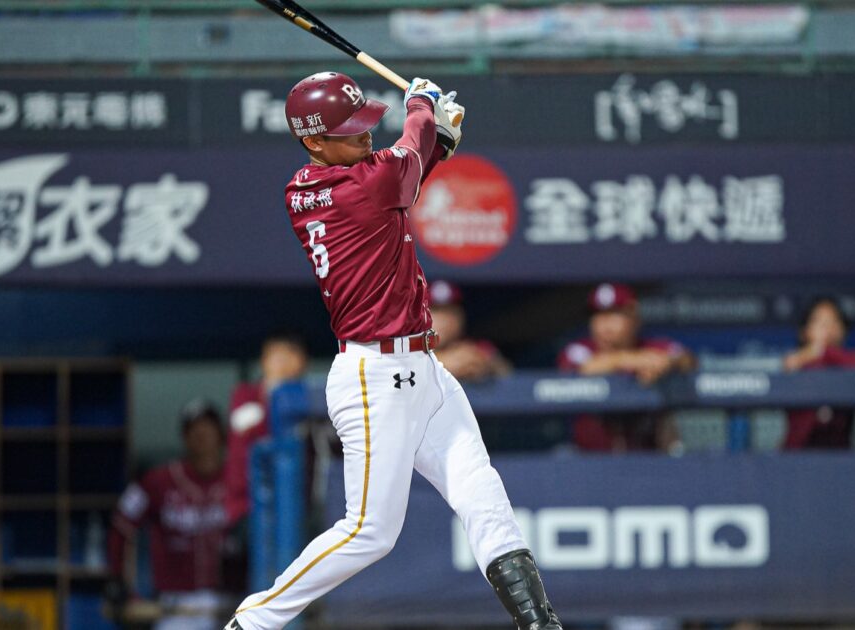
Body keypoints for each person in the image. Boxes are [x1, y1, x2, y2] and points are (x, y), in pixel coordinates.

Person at [225, 73, 560, 630]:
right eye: (350, 131)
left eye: (364, 125)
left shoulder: (332, 182)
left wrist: (437, 142)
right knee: (370, 531)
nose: (365, 135)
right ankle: (254, 621)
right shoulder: (356, 184)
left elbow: (403, 174)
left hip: (423, 367)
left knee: (480, 489)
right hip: (373, 374)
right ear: (314, 141)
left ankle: (540, 623)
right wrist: (423, 105)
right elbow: (402, 161)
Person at [108, 399, 231, 630]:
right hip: (176, 605)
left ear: (221, 434)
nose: (202, 434)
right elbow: (121, 524)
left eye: (208, 427)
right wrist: (118, 580)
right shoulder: (158, 481)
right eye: (194, 428)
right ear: (184, 436)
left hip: (233, 601)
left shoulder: (239, 480)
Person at [558, 283, 695, 452]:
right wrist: (634, 360)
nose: (605, 325)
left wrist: (667, 363)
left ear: (635, 318)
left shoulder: (651, 347)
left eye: (614, 314)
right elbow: (586, 367)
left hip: (646, 457)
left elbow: (686, 358)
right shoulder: (580, 349)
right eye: (598, 315)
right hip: (590, 459)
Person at [224, 332, 311, 525]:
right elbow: (242, 425)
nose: (282, 363)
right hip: (248, 508)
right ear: (263, 361)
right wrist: (275, 392)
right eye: (276, 355)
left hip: (295, 508)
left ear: (302, 361)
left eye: (290, 354)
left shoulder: (310, 399)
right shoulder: (245, 395)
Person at [781, 297, 855, 449]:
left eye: (833, 321)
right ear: (805, 331)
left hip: (839, 455)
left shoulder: (850, 361)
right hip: (798, 455)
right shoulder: (796, 362)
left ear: (843, 330)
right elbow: (789, 365)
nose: (827, 328)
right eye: (819, 321)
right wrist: (810, 355)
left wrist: (823, 351)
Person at [428, 280, 512, 381]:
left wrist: (487, 365)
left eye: (450, 311)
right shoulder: (411, 350)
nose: (444, 320)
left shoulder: (477, 348)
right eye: (435, 310)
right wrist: (441, 363)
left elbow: (508, 374)